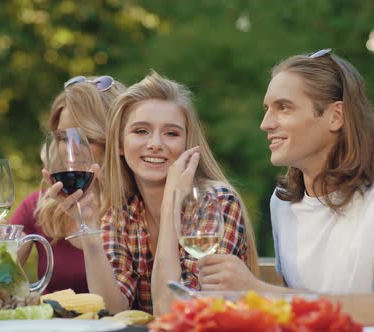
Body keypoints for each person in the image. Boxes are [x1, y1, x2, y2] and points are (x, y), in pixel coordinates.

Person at [198, 49, 374, 326]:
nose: (265, 124)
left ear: (335, 116)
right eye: (266, 109)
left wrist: (259, 291)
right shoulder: (282, 203)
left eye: (284, 107)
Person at [77, 71, 258, 315]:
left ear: (187, 143)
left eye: (171, 133)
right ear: (119, 144)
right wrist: (89, 234)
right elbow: (110, 310)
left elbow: (172, 312)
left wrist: (170, 206)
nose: (155, 143)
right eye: (141, 131)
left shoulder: (216, 203)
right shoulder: (122, 213)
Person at [10, 75, 126, 294]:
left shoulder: (137, 209)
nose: (72, 149)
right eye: (64, 137)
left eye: (87, 137)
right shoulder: (38, 207)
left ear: (115, 140)